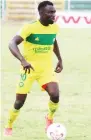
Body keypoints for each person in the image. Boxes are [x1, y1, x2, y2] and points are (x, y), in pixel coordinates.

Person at [4, 1, 63, 136]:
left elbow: (53, 41)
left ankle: (49, 118)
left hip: (46, 70)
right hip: (28, 70)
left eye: (54, 12)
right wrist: (23, 60)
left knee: (55, 94)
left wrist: (60, 59)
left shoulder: (54, 28)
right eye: (50, 12)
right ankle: (9, 124)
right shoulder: (29, 28)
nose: (53, 15)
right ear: (41, 13)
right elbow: (12, 43)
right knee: (19, 102)